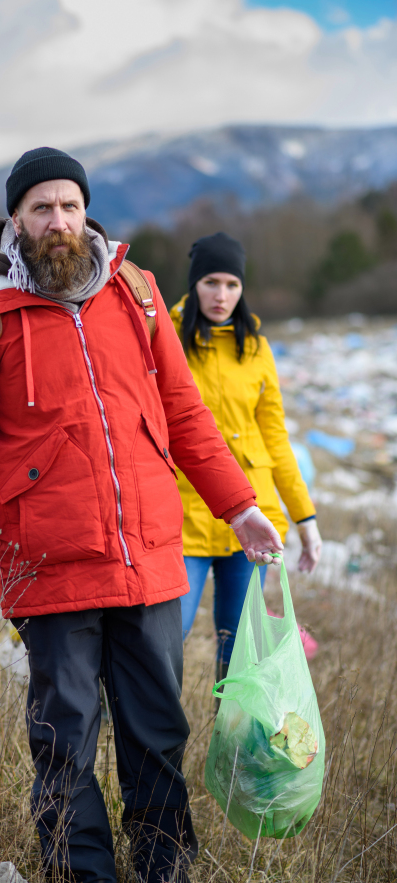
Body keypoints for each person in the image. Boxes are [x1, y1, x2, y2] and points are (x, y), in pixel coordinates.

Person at [0, 149, 284, 883]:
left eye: (69, 205)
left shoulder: (140, 292)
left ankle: (163, 879)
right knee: (65, 743)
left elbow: (184, 415)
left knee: (158, 735)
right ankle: (83, 882)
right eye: (41, 209)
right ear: (15, 222)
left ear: (87, 210)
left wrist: (240, 505)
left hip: (149, 556)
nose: (58, 221)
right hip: (48, 564)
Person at [169, 232, 322, 684]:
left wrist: (305, 519)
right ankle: (153, 749)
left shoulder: (255, 346)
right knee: (163, 641)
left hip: (251, 520)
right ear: (194, 284)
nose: (222, 295)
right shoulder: (166, 337)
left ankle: (231, 751)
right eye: (211, 282)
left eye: (232, 284)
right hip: (184, 517)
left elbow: (276, 438)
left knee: (239, 651)